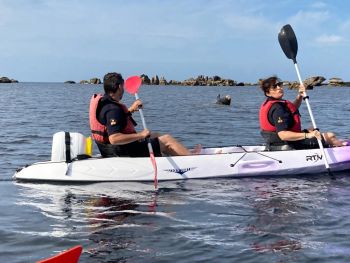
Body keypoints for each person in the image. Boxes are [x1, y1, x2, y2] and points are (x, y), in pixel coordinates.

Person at [89, 72, 200, 157]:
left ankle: (184, 154)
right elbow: (114, 138)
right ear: (119, 87)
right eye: (123, 86)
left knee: (156, 135)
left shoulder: (105, 103)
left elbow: (114, 121)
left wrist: (131, 110)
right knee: (166, 139)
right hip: (122, 150)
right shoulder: (113, 109)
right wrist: (140, 135)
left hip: (110, 149)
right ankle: (193, 161)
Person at [259, 76, 347, 150]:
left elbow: (291, 110)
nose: (279, 88)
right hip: (287, 144)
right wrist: (308, 135)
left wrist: (300, 95)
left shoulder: (274, 103)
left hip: (276, 142)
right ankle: (342, 149)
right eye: (274, 87)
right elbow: (283, 135)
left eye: (279, 84)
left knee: (313, 129)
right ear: (268, 93)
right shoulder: (277, 108)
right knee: (330, 136)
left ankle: (335, 145)